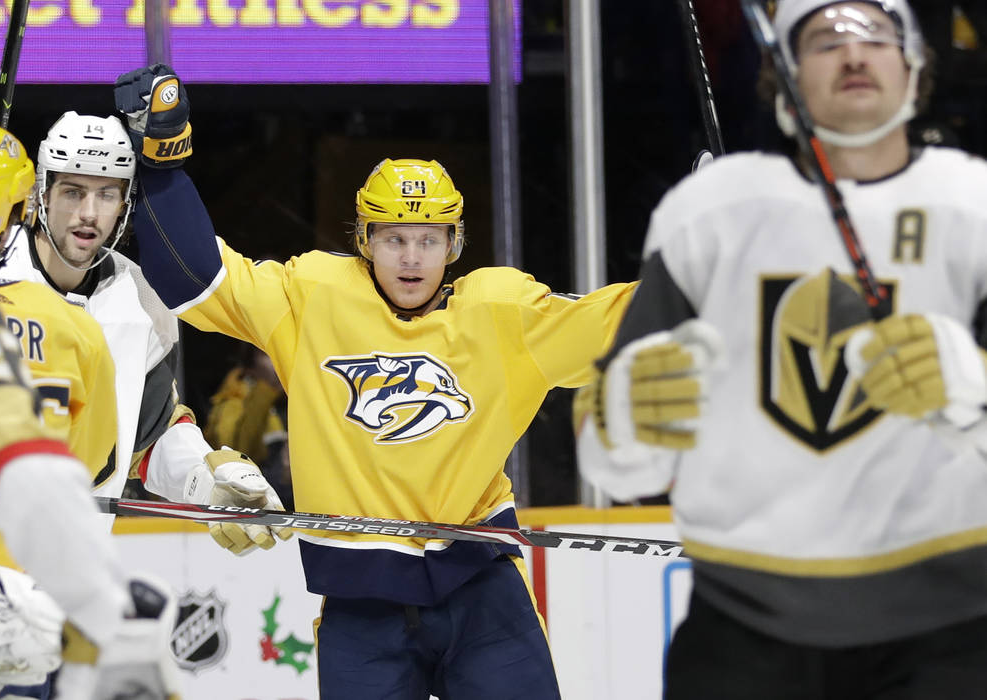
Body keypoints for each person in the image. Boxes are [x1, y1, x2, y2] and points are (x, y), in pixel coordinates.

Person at [111, 64, 637, 699]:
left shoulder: (505, 313)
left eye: (428, 239)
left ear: (454, 244)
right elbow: (196, 278)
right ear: (364, 239)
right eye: (393, 239)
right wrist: (163, 166)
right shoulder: (312, 297)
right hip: (361, 606)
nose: (411, 257)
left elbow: (618, 324)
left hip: (481, 592)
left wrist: (704, 257)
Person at [575, 1, 987, 697]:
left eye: (875, 36)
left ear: (914, 64)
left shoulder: (974, 203)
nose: (853, 54)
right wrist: (621, 423)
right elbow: (612, 441)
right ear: (782, 74)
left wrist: (973, 383)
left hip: (947, 626)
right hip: (741, 625)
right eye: (825, 39)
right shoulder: (706, 213)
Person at [0, 119, 179, 699]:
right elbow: (44, 472)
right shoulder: (15, 319)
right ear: (27, 204)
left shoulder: (123, 303)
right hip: (2, 596)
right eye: (71, 190)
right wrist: (102, 609)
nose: (87, 212)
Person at [0, 110, 286, 545]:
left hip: (70, 562)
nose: (89, 214)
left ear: (125, 205)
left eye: (107, 195)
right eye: (73, 192)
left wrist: (208, 480)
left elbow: (148, 438)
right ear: (43, 194)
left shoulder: (141, 297)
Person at [204, 345, 292, 507]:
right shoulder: (231, 401)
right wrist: (265, 391)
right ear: (251, 362)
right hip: (252, 492)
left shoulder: (286, 399)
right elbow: (235, 452)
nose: (276, 361)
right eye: (267, 355)